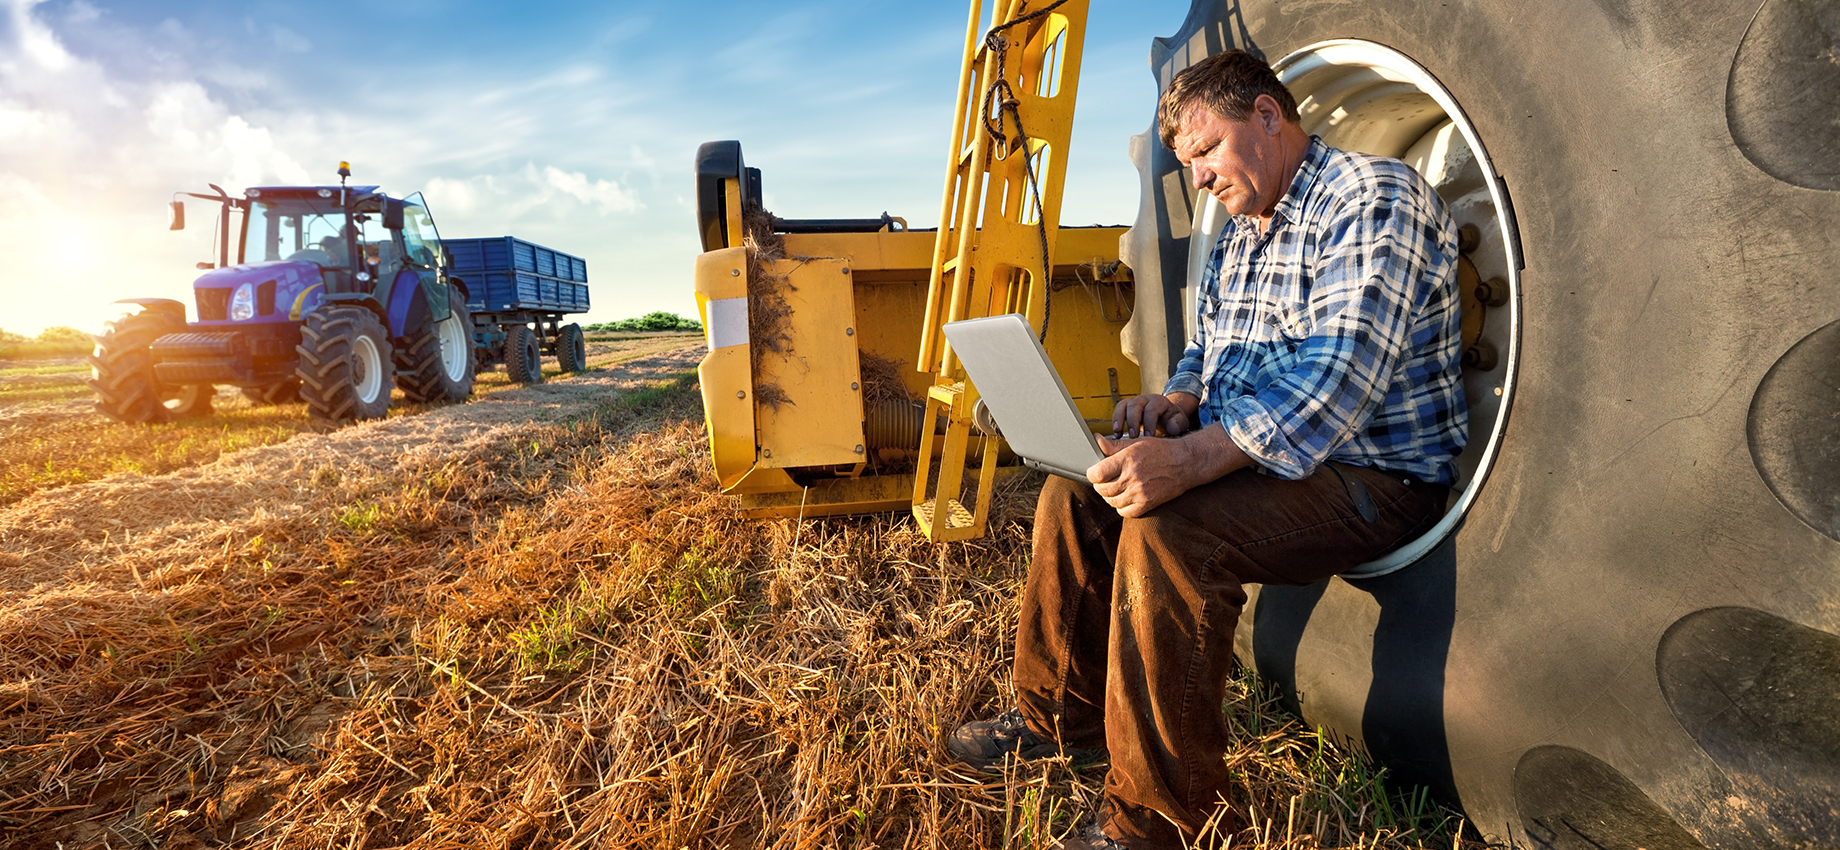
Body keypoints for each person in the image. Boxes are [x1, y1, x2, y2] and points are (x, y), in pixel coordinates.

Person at [946, 49, 1469, 849]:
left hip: (1371, 473)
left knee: (1167, 531)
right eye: (1187, 162)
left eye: (1205, 151)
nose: (1197, 178)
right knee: (1080, 490)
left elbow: (1337, 383)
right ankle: (1057, 719)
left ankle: (1159, 820)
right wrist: (1179, 401)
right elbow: (1211, 346)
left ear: (1267, 115)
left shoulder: (1370, 198)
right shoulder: (1245, 230)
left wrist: (1188, 462)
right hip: (1274, 460)